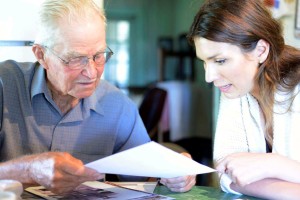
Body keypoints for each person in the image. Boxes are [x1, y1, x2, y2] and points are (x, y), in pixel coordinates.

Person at [0, 0, 195, 195]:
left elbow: (146, 171)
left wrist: (176, 170)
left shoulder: (118, 105)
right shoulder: (4, 85)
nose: (92, 73)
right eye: (76, 59)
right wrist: (27, 170)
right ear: (41, 55)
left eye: (99, 56)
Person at [187, 0, 300, 199]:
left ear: (261, 51)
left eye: (220, 61)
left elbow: (237, 178)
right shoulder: (235, 91)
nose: (209, 77)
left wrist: (274, 164)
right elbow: (227, 173)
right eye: (205, 62)